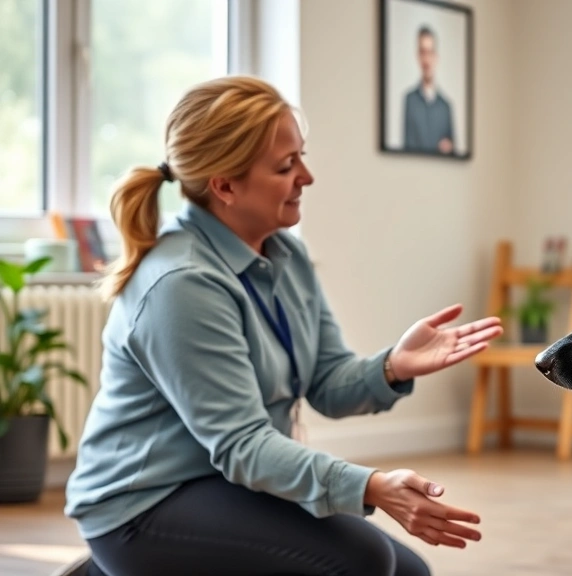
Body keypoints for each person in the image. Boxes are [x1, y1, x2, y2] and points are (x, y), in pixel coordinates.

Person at [62, 75, 502, 576]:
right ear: (225, 185)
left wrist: (393, 367)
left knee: (408, 572)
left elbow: (327, 382)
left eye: (302, 157)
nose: (307, 177)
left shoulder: (284, 252)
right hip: (141, 505)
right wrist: (370, 485)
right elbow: (244, 446)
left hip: (222, 482)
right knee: (361, 562)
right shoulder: (180, 284)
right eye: (286, 165)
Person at [403, 25, 454, 155]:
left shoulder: (446, 107)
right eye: (423, 52)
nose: (427, 60)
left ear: (436, 56)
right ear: (418, 56)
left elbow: (452, 151)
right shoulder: (410, 100)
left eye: (430, 52)